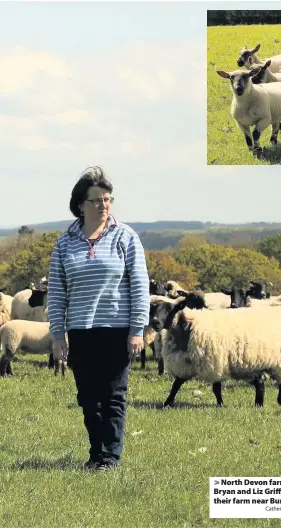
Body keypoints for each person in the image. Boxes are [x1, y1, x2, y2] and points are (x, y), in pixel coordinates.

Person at [48, 166, 149, 471]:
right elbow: (57, 293)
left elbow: (140, 286)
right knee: (89, 399)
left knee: (114, 397)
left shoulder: (125, 237)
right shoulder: (64, 243)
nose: (104, 205)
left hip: (117, 330)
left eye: (108, 199)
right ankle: (96, 454)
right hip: (81, 330)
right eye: (96, 200)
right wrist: (57, 334)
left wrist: (137, 330)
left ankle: (111, 458)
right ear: (81, 205)